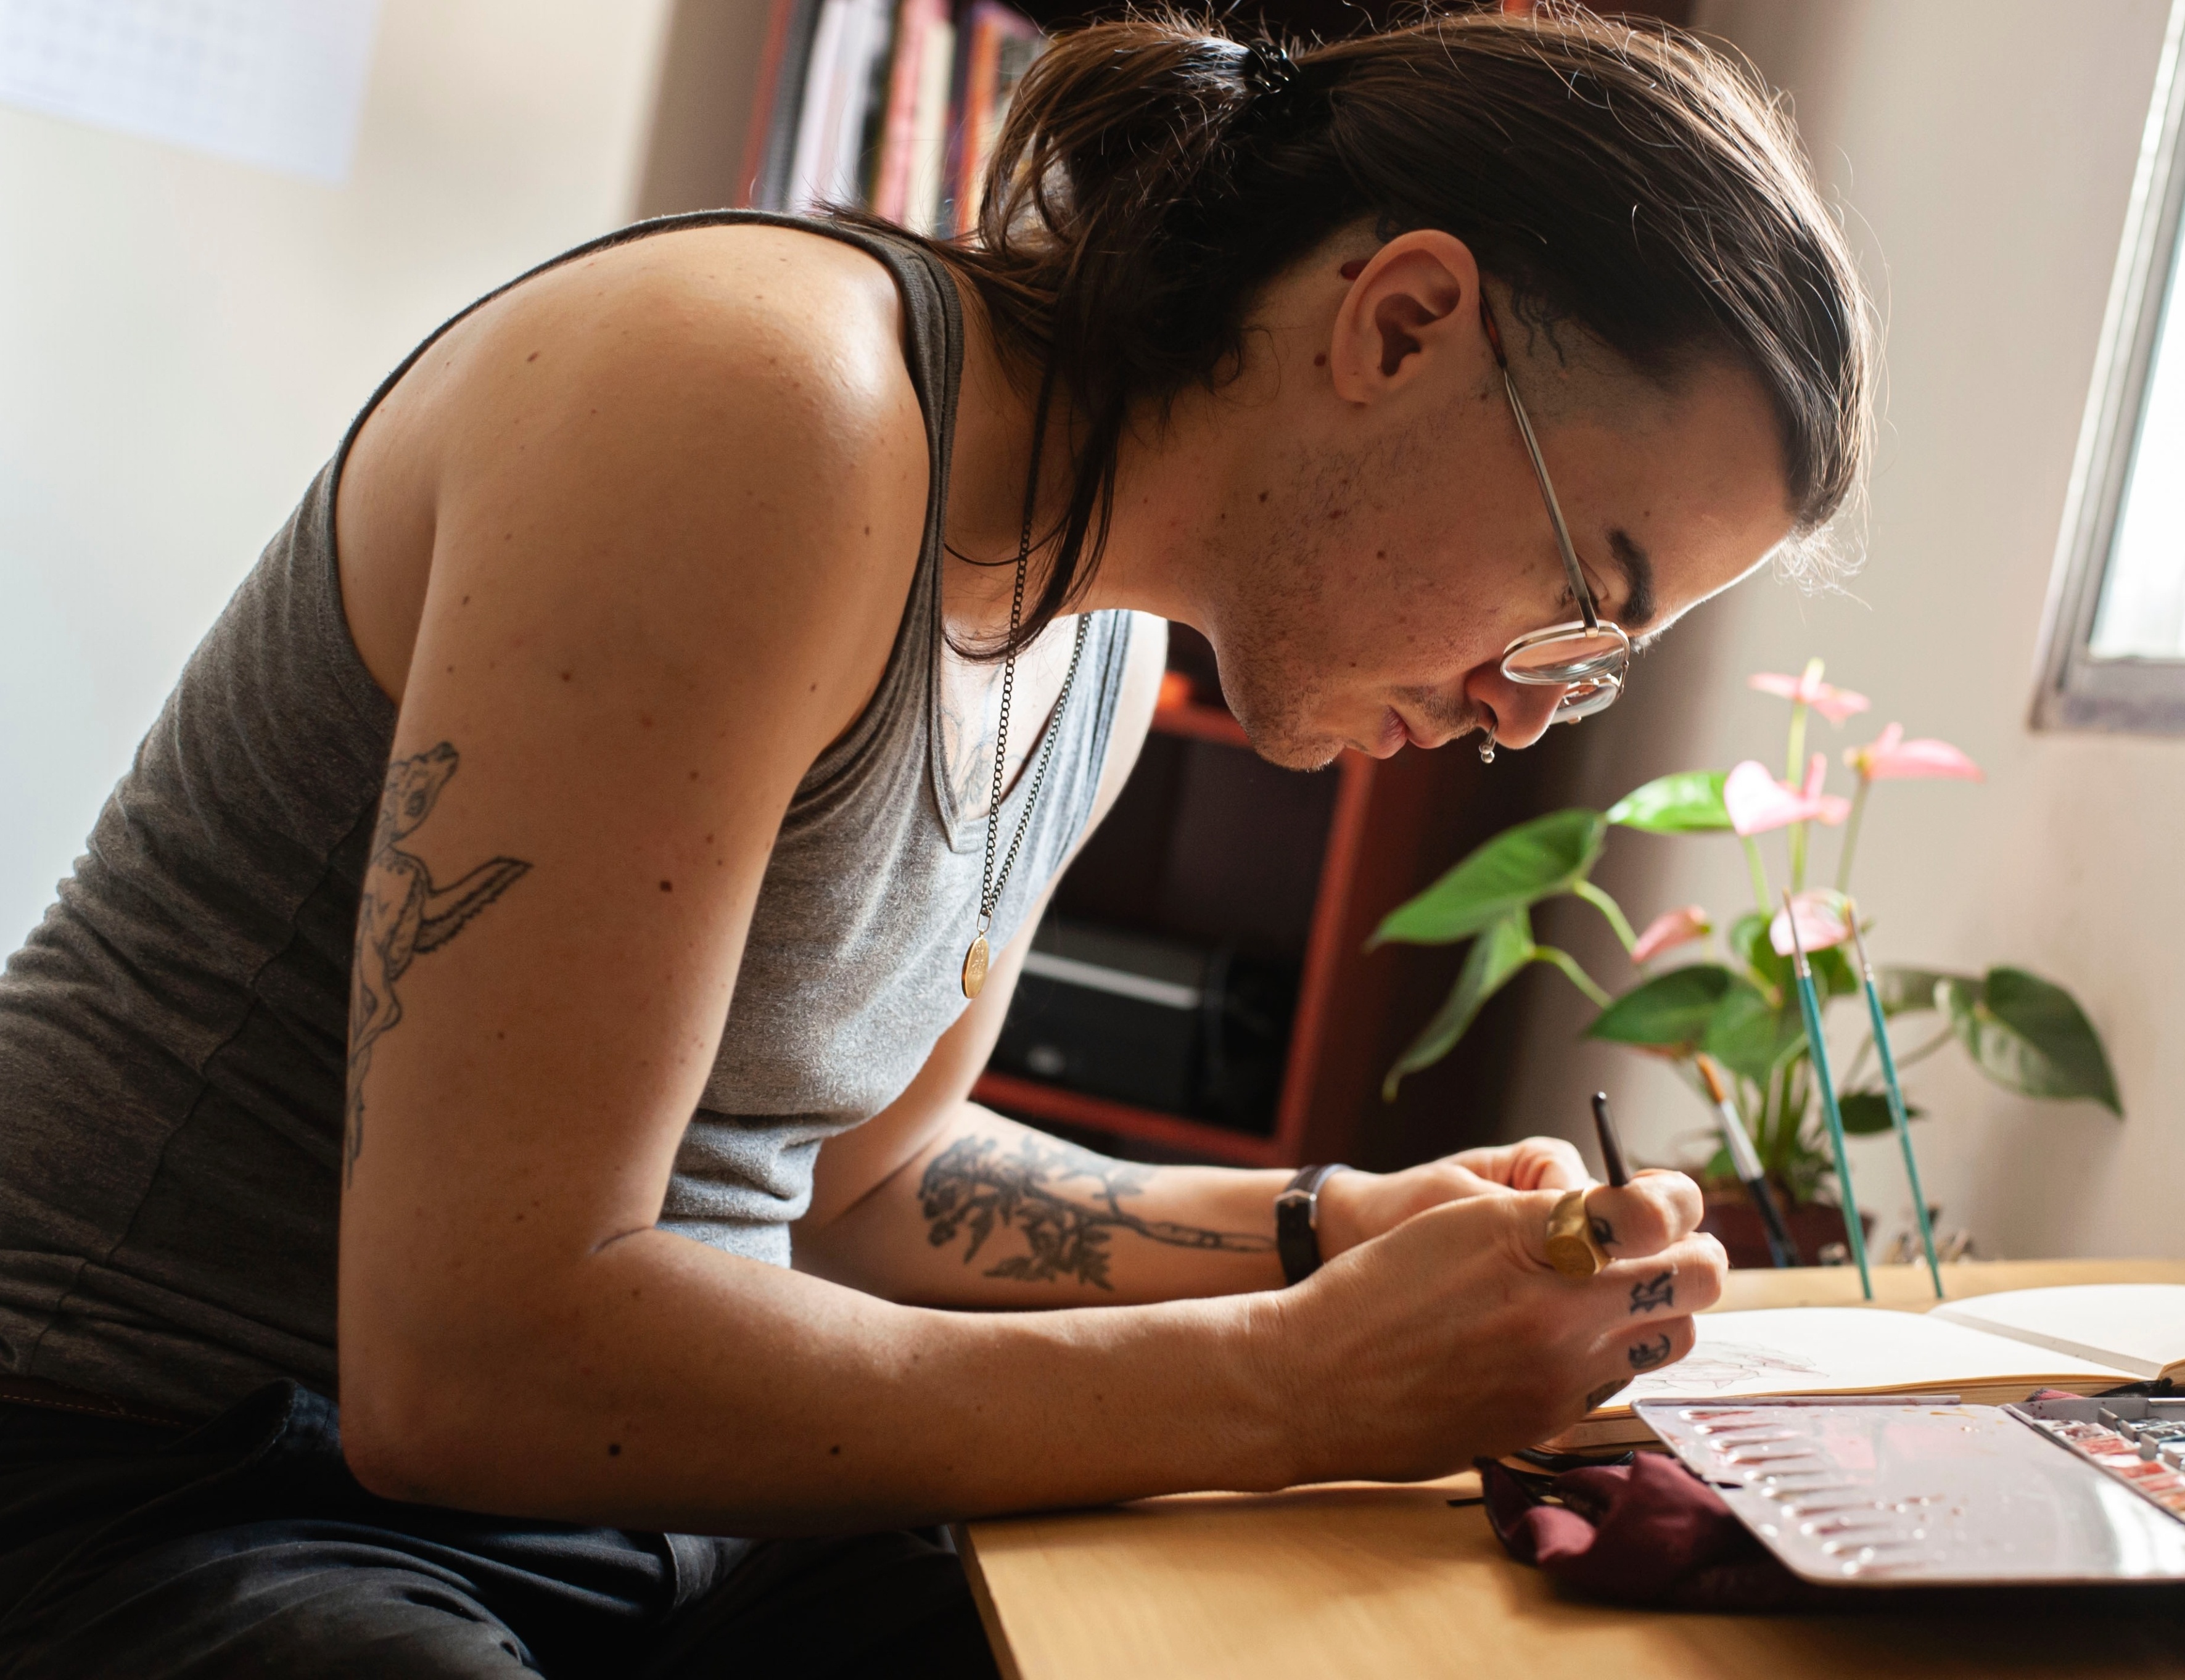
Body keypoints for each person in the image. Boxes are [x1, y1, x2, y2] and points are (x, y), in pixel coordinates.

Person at [0, 5, 1869, 1674]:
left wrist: (1319, 1230)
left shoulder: (1104, 638)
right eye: (1579, 594)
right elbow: (469, 1360)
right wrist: (1296, 1381)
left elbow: (864, 1183)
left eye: (1602, 666)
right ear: (1398, 323)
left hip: (595, 1505)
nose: (1529, 709)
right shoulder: (754, 405)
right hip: (142, 1454)